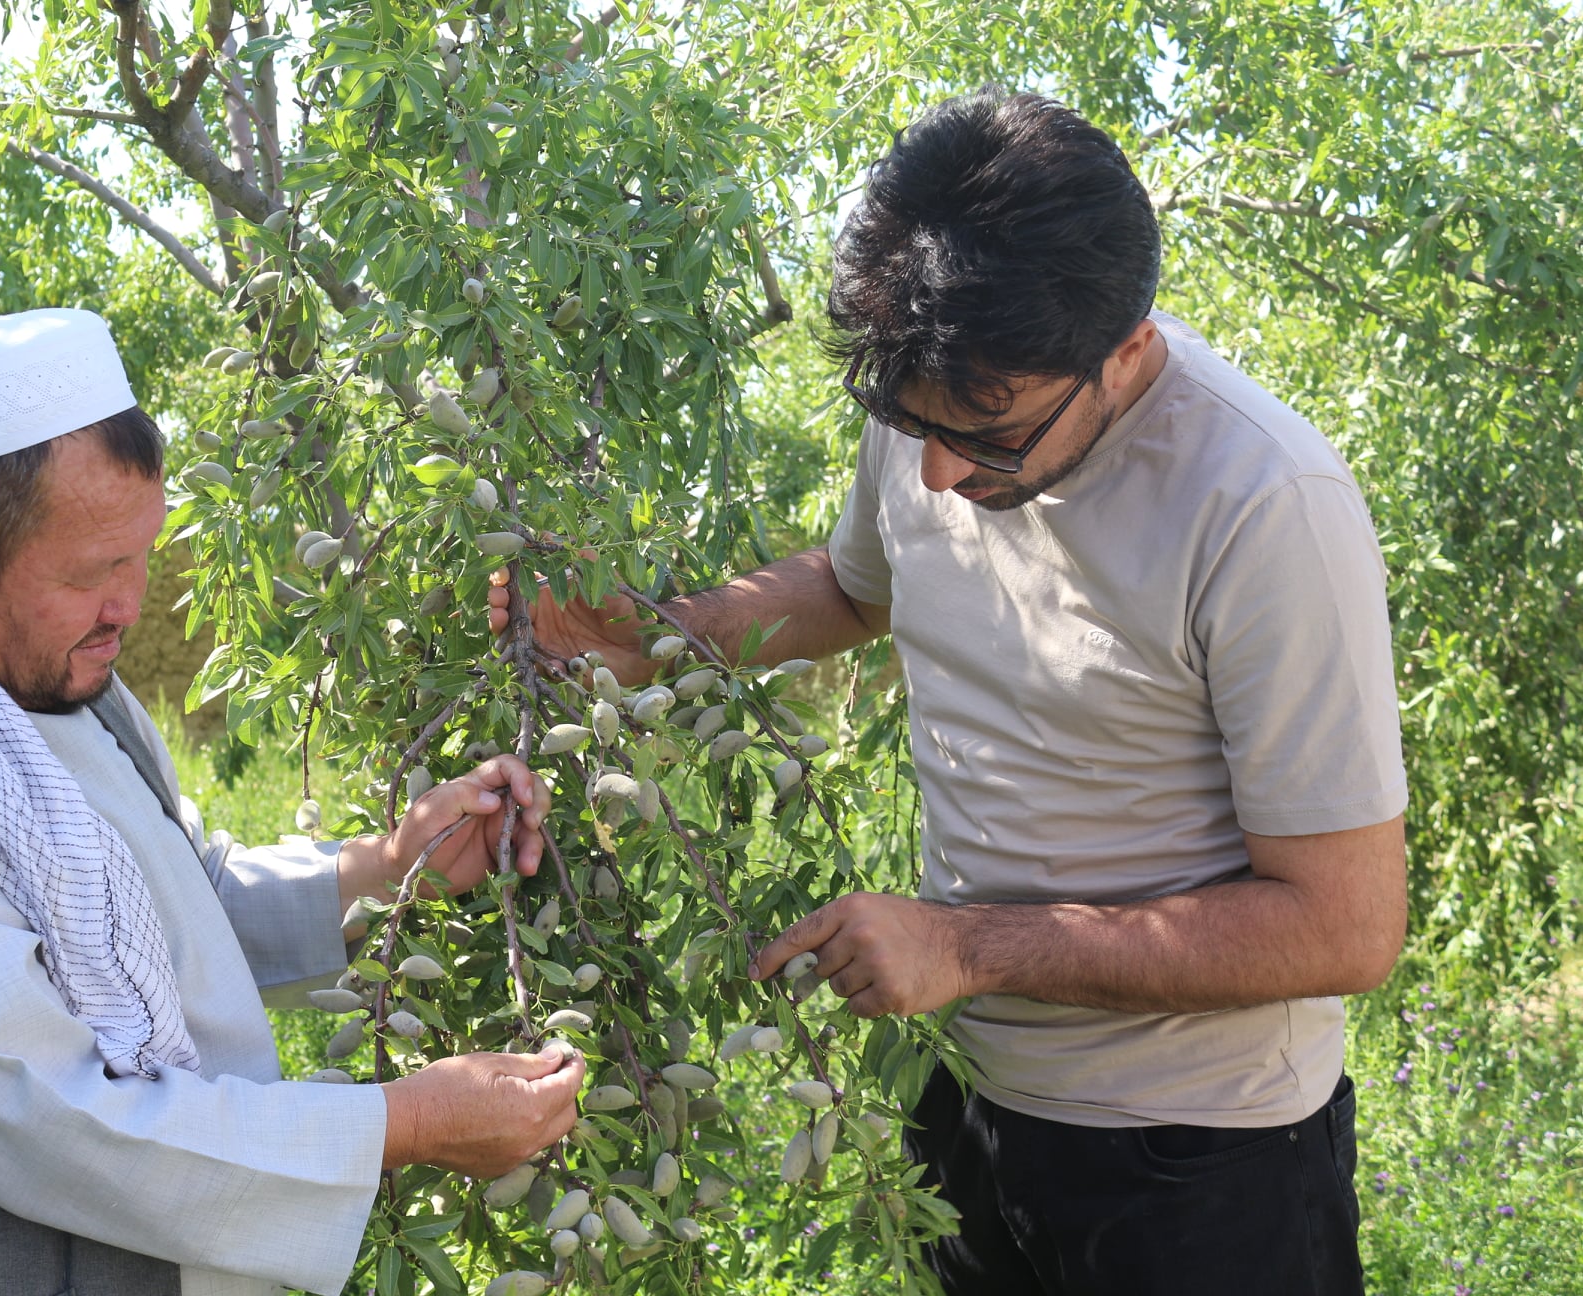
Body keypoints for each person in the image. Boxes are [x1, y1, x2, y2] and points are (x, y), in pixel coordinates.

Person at [491, 90, 1406, 1294]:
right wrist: (663, 636)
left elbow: (1344, 925)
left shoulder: (1264, 505)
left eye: (991, 436)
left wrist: (967, 947)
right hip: (969, 1109)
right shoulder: (945, 388)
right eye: (904, 422)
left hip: (1206, 1164)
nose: (935, 471)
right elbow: (856, 587)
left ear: (1125, 352)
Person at [0, 307, 584, 1296]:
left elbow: (173, 904)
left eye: (142, 554)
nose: (131, 607)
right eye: (94, 572)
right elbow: (50, 1119)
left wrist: (392, 868)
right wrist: (409, 1123)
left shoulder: (46, 677)